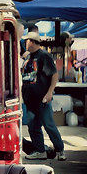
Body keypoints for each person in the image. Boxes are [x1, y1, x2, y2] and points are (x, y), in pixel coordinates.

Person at [21, 30, 65, 161]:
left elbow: (54, 75)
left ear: (32, 42)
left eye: (27, 41)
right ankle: (40, 150)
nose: (25, 43)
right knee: (33, 126)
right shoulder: (28, 57)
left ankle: (60, 149)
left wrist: (50, 92)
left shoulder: (44, 56)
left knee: (48, 124)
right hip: (30, 99)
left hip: (42, 98)